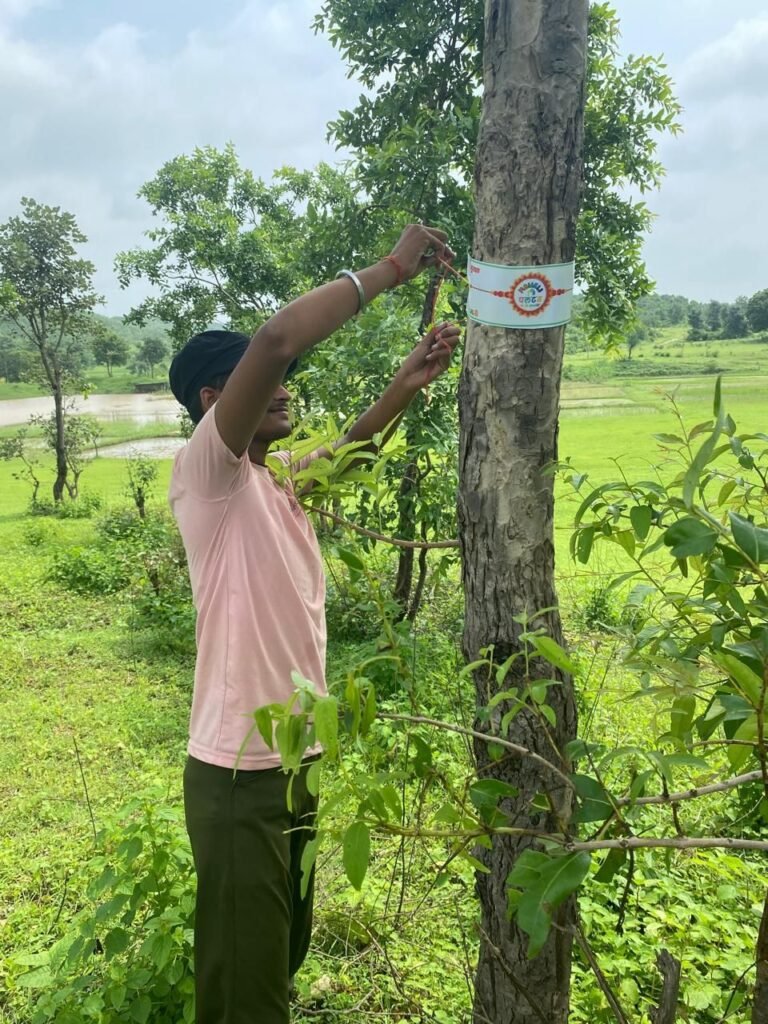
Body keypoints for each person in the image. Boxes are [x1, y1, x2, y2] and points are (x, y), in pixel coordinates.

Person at [167, 223, 460, 1024]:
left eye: (285, 381)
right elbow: (277, 338)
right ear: (214, 402)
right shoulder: (209, 475)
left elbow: (353, 445)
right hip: (239, 773)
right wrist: (392, 268)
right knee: (246, 993)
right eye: (269, 383)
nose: (285, 387)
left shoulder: (276, 482)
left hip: (297, 759)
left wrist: (407, 382)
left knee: (280, 960)